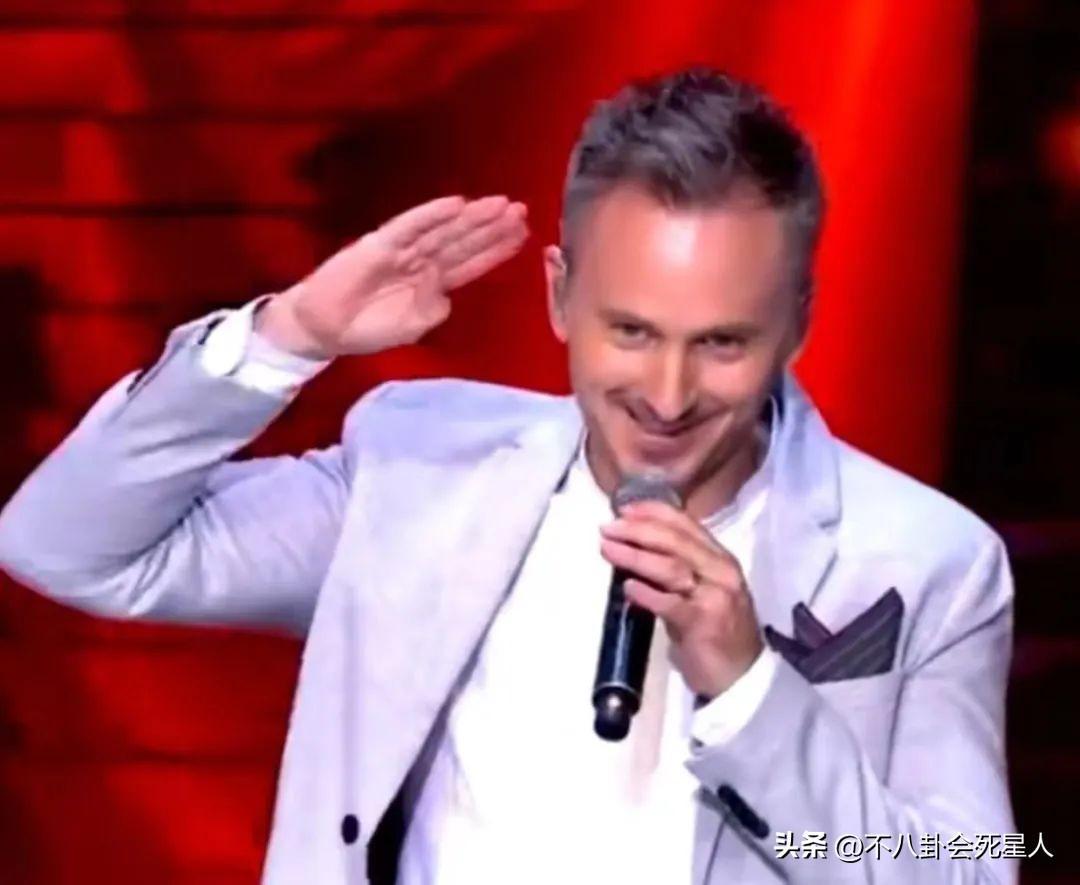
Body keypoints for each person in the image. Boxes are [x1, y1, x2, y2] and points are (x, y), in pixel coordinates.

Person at [0, 67, 1017, 884]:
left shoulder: (925, 561)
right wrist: (286, 336)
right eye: (631, 331)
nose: (667, 395)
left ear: (796, 322)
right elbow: (66, 545)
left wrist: (751, 691)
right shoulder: (421, 474)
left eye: (720, 343)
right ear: (559, 296)